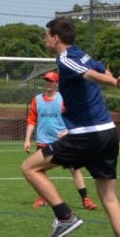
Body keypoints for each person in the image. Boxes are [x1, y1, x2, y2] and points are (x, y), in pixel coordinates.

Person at [20, 17, 120, 237]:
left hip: (88, 135)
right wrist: (117, 79)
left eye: (46, 36)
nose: (44, 40)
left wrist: (114, 82)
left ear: (55, 38)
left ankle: (65, 216)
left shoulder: (66, 59)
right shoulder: (83, 54)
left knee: (29, 168)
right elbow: (98, 68)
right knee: (109, 198)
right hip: (109, 133)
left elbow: (90, 74)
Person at [23, 70, 98, 211]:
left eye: (51, 81)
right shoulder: (37, 99)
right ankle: (43, 197)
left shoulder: (63, 99)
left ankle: (86, 199)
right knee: (39, 171)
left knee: (75, 169)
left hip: (63, 143)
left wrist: (68, 131)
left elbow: (75, 117)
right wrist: (27, 139)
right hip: (43, 141)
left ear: (57, 83)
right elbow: (31, 120)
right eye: (46, 80)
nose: (48, 83)